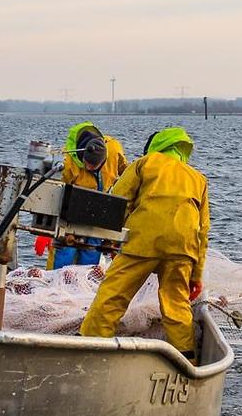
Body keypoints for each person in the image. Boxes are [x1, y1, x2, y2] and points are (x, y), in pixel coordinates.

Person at [80, 127, 209, 360]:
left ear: (155, 146)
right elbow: (203, 230)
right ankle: (187, 361)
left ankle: (90, 348)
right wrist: (196, 275)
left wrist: (109, 237)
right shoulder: (197, 178)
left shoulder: (144, 163)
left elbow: (118, 200)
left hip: (143, 242)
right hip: (183, 248)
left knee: (112, 296)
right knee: (176, 305)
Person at [40, 121, 128, 268]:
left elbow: (127, 173)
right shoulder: (67, 161)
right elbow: (51, 194)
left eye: (93, 166)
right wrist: (45, 228)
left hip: (99, 213)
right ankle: (55, 285)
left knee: (91, 256)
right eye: (86, 164)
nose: (88, 168)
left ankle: (84, 284)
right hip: (70, 213)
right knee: (63, 254)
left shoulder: (114, 149)